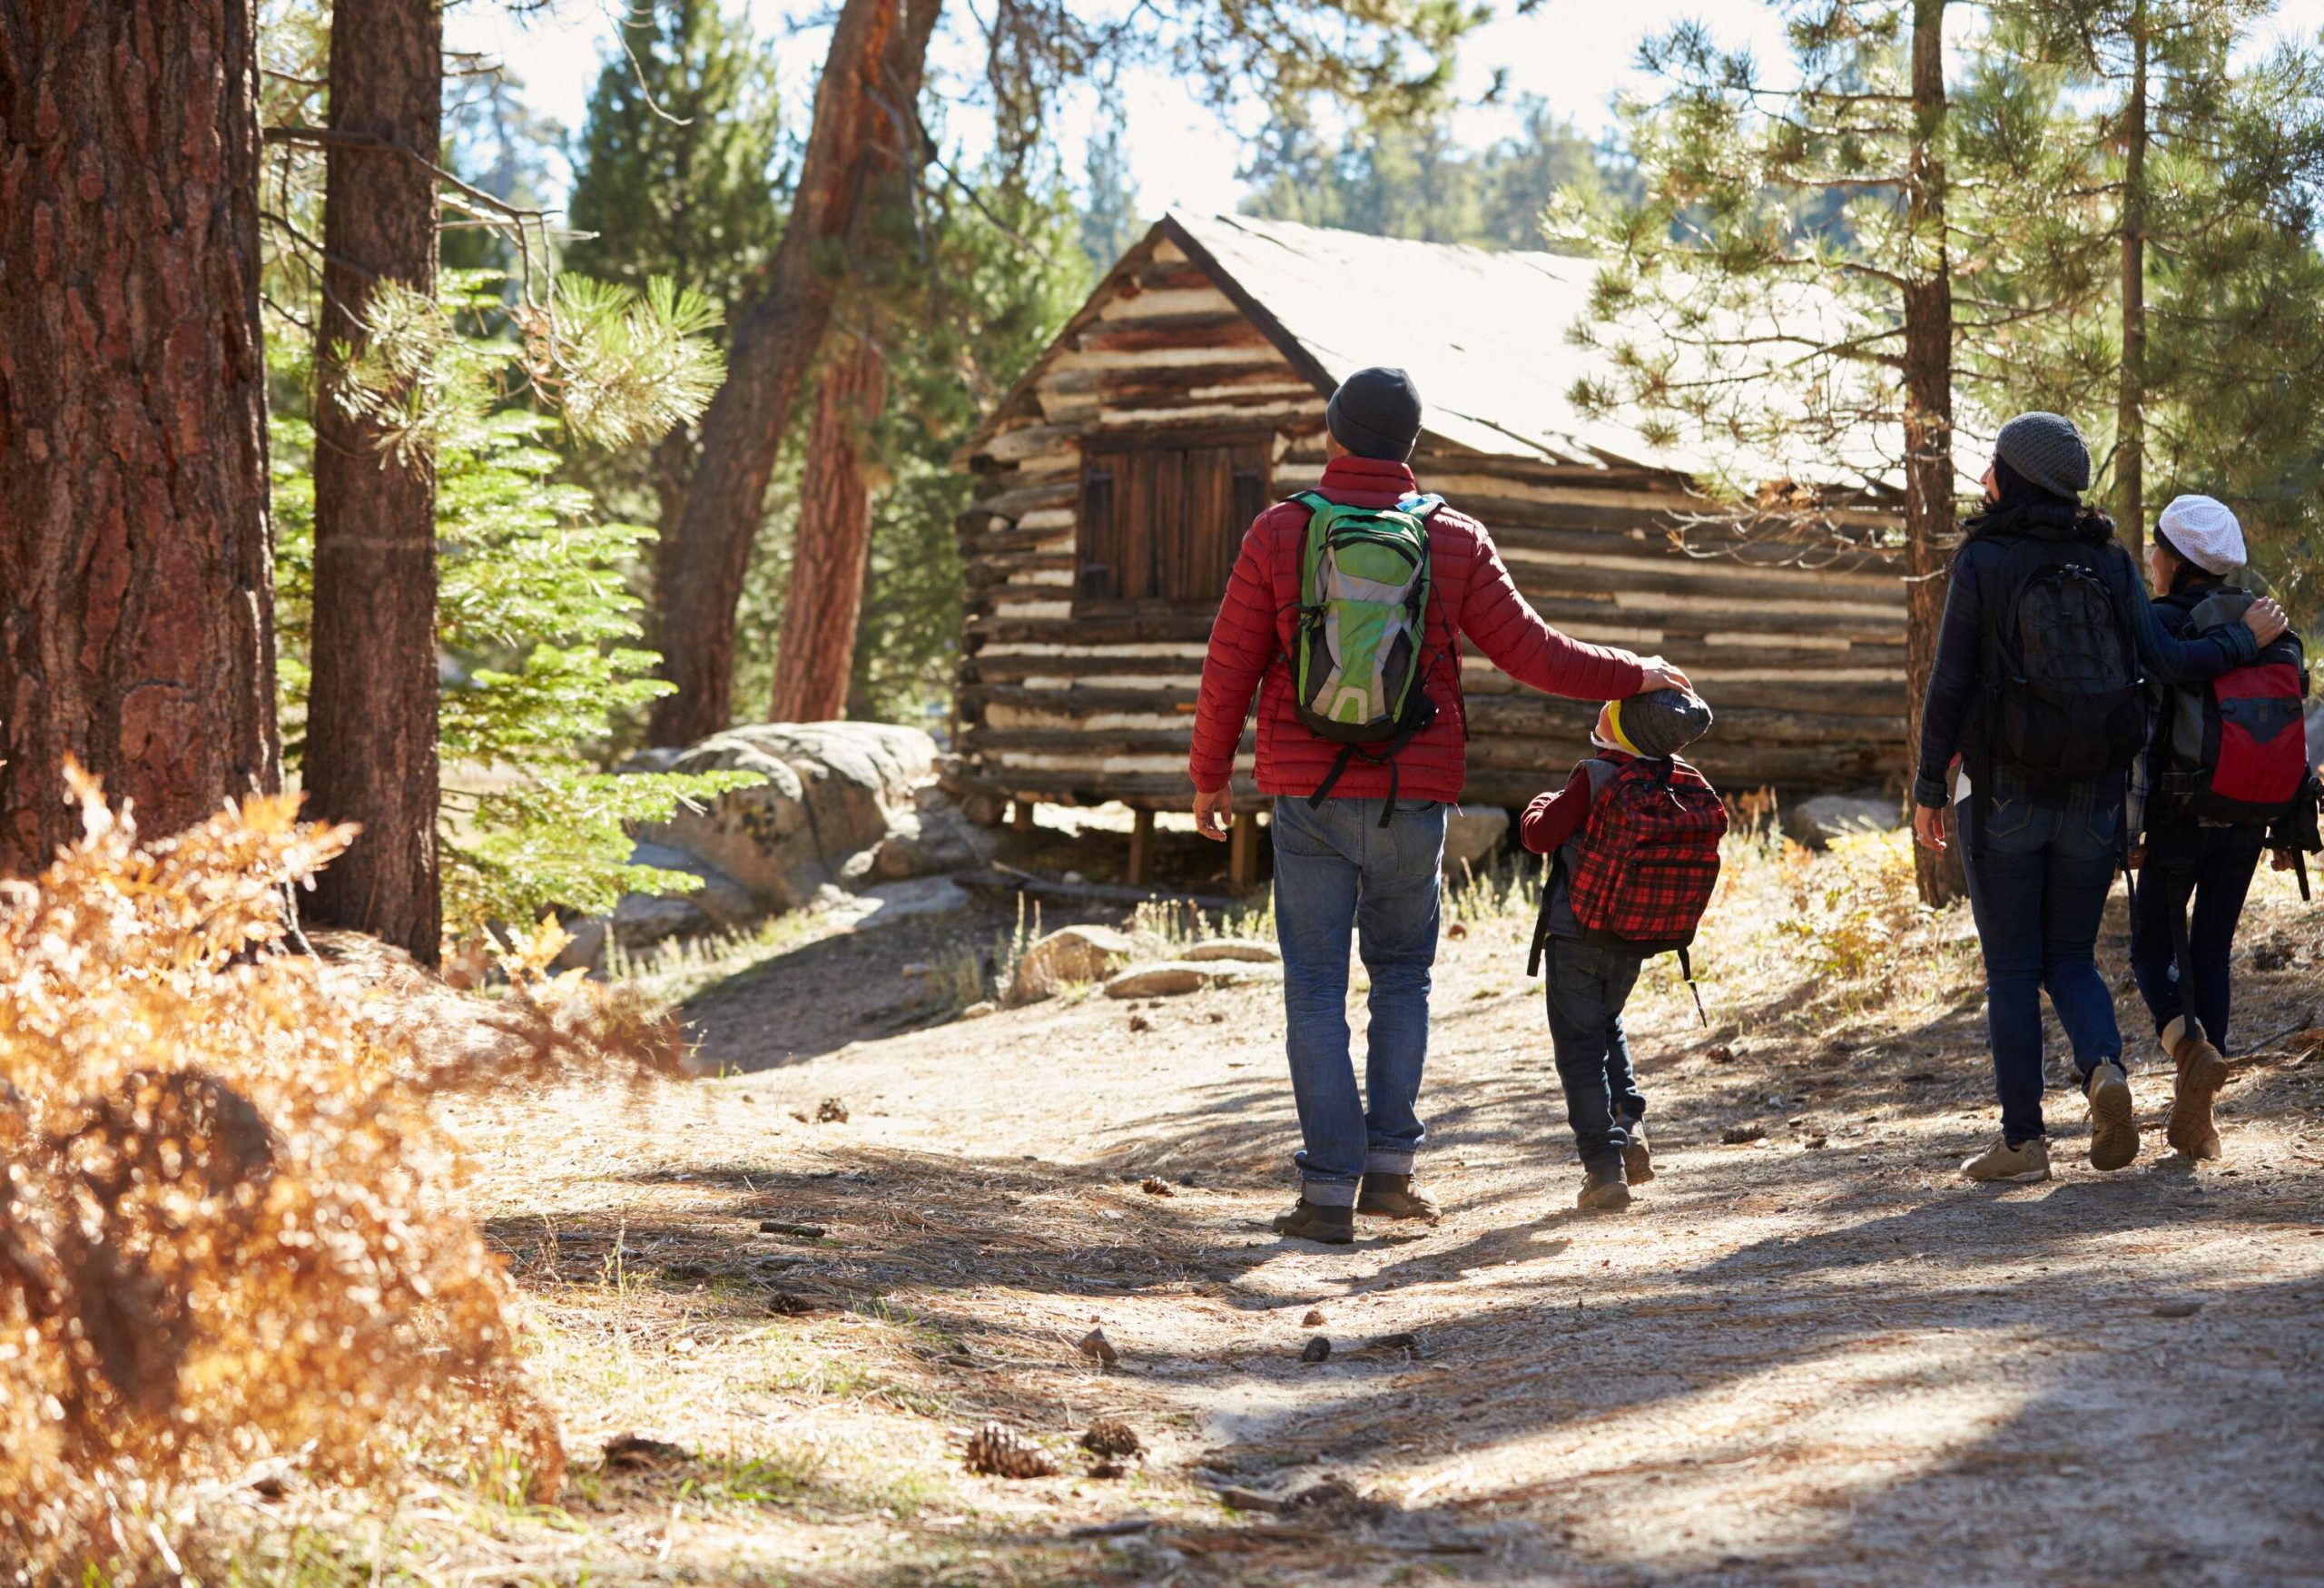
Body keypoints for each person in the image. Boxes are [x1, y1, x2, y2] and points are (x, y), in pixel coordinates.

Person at [1187, 366, 1689, 1245]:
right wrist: (1635, 671)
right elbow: (1536, 652)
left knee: (1312, 987)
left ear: (1336, 439)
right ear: (1412, 447)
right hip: (1411, 795)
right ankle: (1389, 1174)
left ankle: (1328, 1191)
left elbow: (1228, 665)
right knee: (1402, 978)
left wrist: (1207, 776)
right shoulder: (1452, 538)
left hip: (1304, 791)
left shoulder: (1280, 531)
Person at [1911, 415, 2289, 1185]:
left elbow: (1949, 681)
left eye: (1994, 462)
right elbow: (2172, 660)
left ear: (2017, 475)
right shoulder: (2110, 558)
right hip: (2094, 795)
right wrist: (2245, 640)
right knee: (2073, 957)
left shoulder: (1984, 557)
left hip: (2004, 789)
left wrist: (1927, 789)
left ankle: (2024, 1141)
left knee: (2014, 969)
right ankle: (2103, 1070)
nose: (1986, 472)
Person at [2127, 495, 2308, 1160]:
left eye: (2155, 549)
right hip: (2249, 815)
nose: (2149, 559)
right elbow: (2289, 725)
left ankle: (2187, 1046)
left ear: (2173, 559)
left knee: (2150, 949)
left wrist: (2129, 829)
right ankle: (2199, 1118)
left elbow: (2141, 736)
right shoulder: (2267, 620)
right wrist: (2290, 824)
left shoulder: (2160, 624)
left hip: (2179, 812)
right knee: (2212, 951)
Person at [1519, 688, 1721, 1212]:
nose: (1600, 711)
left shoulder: (1598, 774)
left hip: (1577, 934)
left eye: (1609, 710)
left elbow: (1540, 837)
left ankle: (1604, 1169)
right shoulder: (1681, 779)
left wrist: (1540, 804)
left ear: (1625, 729)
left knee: (1579, 1050)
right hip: (1633, 937)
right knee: (1606, 1024)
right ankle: (1629, 1128)